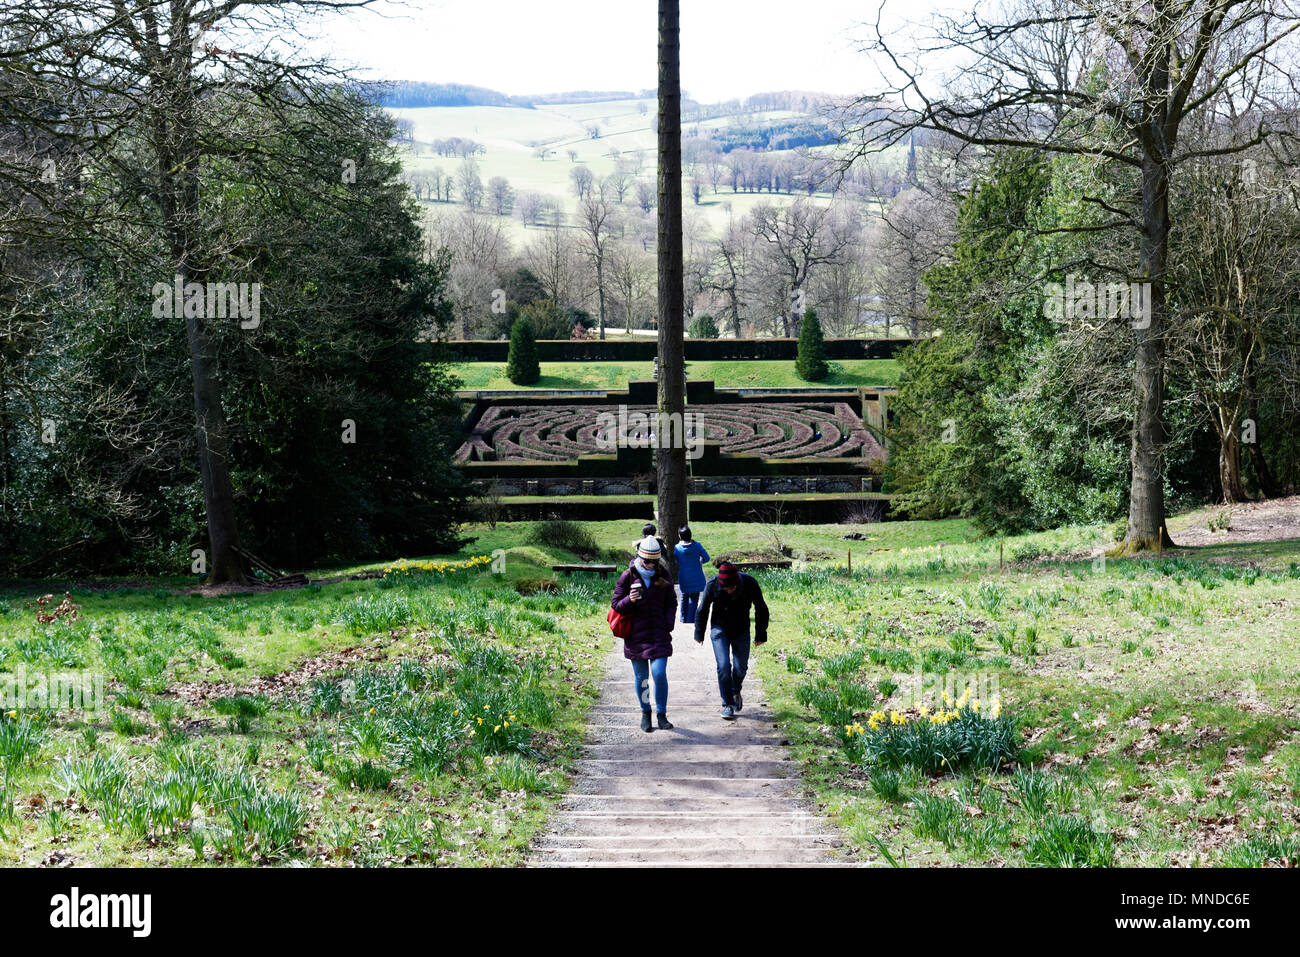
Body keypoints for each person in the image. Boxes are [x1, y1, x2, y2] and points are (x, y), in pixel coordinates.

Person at [611, 536, 678, 732]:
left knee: (659, 673)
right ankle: (645, 713)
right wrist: (629, 600)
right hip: (636, 636)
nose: (649, 565)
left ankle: (662, 715)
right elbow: (615, 605)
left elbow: (672, 602)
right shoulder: (628, 576)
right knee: (641, 678)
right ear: (639, 557)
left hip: (659, 634)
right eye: (646, 561)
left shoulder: (663, 575)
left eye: (654, 561)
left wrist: (668, 623)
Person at [694, 561, 769, 720]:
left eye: (732, 588)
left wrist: (760, 634)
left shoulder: (749, 583)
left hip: (741, 629)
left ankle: (735, 690)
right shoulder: (713, 585)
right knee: (723, 666)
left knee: (740, 667)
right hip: (719, 628)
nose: (729, 590)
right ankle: (727, 703)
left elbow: (761, 607)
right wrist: (699, 633)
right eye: (726, 588)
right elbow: (703, 609)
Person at [673, 525, 709, 625]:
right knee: (694, 598)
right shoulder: (697, 545)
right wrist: (699, 561)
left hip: (684, 576)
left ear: (680, 536)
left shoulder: (677, 548)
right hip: (696, 575)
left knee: (684, 597)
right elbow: (706, 558)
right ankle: (691, 618)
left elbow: (676, 560)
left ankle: (683, 618)